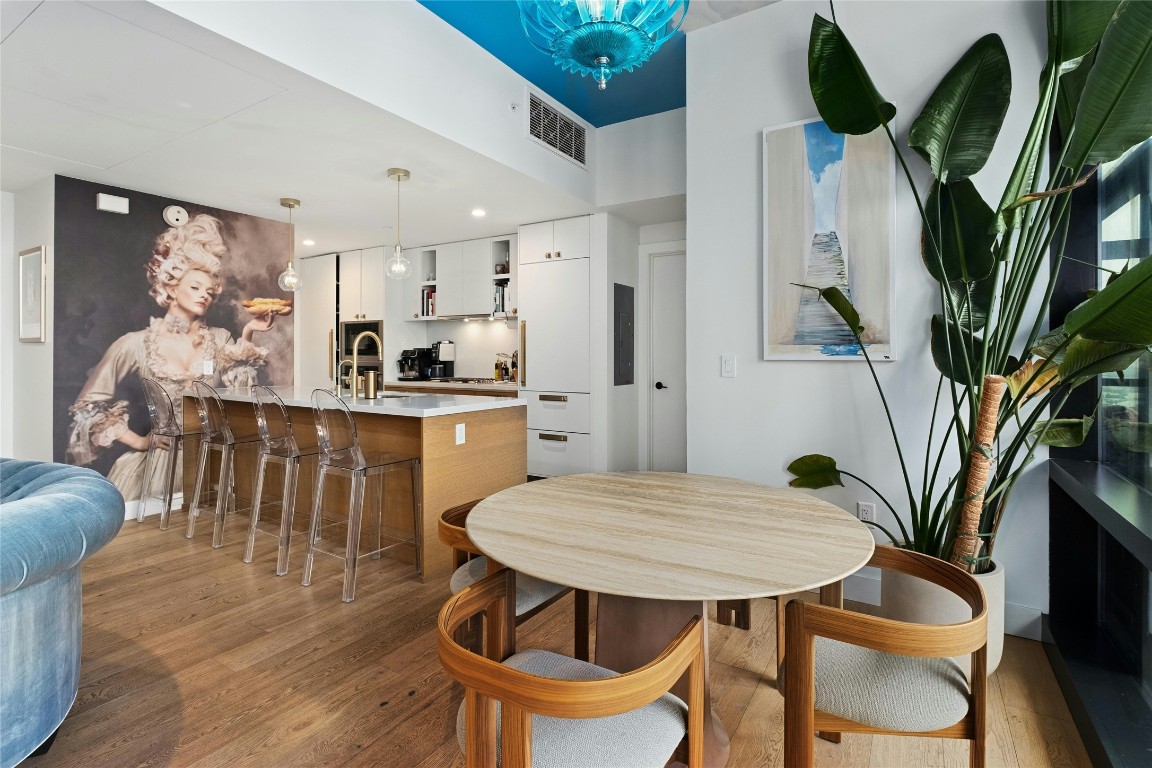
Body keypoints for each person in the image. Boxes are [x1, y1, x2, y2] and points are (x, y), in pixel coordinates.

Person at [67, 213, 277, 502]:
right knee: (154, 525)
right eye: (195, 287)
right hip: (159, 465)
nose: (204, 295)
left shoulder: (219, 339)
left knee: (211, 523)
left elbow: (241, 392)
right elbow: (87, 406)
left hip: (211, 457)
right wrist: (140, 441)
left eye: (209, 291)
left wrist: (249, 331)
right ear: (171, 286)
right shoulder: (135, 344)